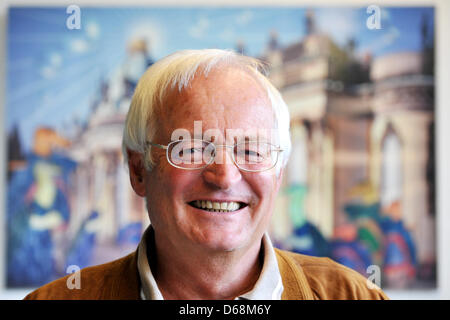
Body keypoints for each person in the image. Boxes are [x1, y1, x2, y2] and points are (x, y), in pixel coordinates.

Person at [24, 49, 388, 300]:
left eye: (252, 149)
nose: (225, 176)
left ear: (278, 175)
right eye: (192, 148)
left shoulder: (352, 295)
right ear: (139, 171)